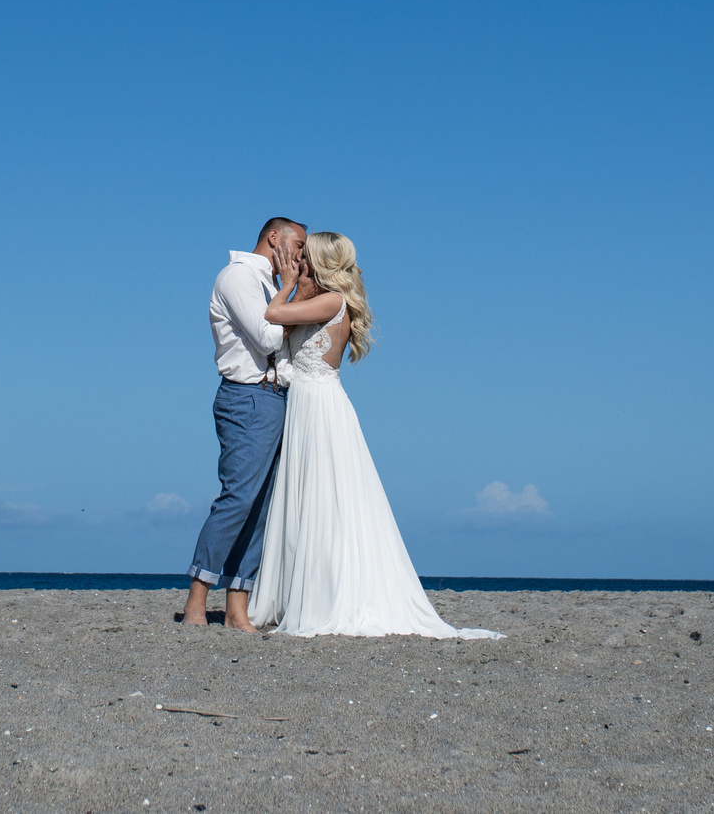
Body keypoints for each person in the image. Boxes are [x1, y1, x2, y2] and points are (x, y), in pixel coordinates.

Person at [247, 231, 501, 638]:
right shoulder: (318, 301)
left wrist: (289, 284)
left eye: (305, 257)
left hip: (319, 405)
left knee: (325, 496)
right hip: (307, 403)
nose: (299, 262)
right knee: (306, 494)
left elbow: (272, 316)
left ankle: (326, 596)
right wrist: (295, 287)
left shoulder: (332, 302)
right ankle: (296, 593)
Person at [179, 216, 304, 633]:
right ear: (275, 238)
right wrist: (288, 290)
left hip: (276, 397)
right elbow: (267, 339)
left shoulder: (272, 285)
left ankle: (237, 608)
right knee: (237, 498)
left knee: (261, 507)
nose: (303, 254)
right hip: (246, 396)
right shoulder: (237, 277)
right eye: (298, 244)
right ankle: (196, 600)